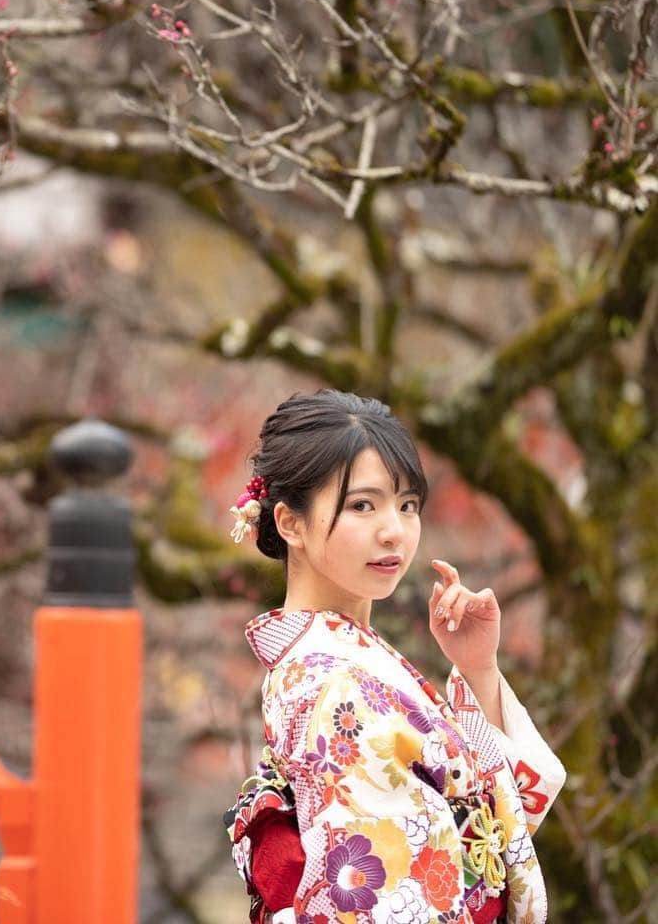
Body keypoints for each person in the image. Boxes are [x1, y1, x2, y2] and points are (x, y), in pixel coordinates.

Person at [223, 390, 565, 924]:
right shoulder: (329, 681)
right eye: (363, 505)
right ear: (290, 523)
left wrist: (477, 668)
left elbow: (485, 833)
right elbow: (395, 891)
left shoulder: (342, 660)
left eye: (407, 505)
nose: (395, 530)